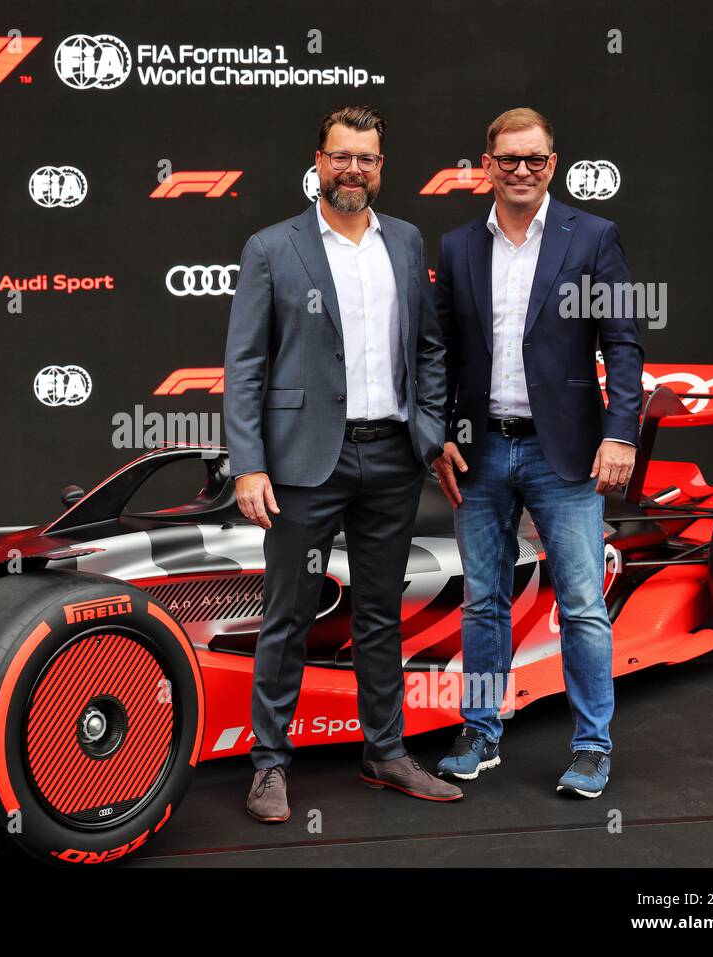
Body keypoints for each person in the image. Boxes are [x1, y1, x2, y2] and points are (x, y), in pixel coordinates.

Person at [224, 105, 460, 824]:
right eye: (341, 156)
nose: (353, 169)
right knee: (287, 615)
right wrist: (249, 463)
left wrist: (428, 427)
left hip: (391, 456)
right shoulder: (272, 248)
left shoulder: (407, 240)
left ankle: (384, 751)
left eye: (367, 158)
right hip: (302, 464)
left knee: (383, 614)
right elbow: (245, 366)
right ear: (318, 161)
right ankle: (269, 764)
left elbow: (428, 347)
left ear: (381, 168)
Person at [431, 108, 644, 798]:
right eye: (508, 159)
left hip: (569, 454)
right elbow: (441, 354)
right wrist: (437, 433)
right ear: (485, 164)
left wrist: (620, 432)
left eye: (534, 159)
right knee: (484, 602)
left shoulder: (594, 237)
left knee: (582, 603)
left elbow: (623, 342)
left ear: (552, 164)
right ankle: (480, 730)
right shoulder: (460, 247)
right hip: (483, 451)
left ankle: (591, 745)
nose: (521, 170)